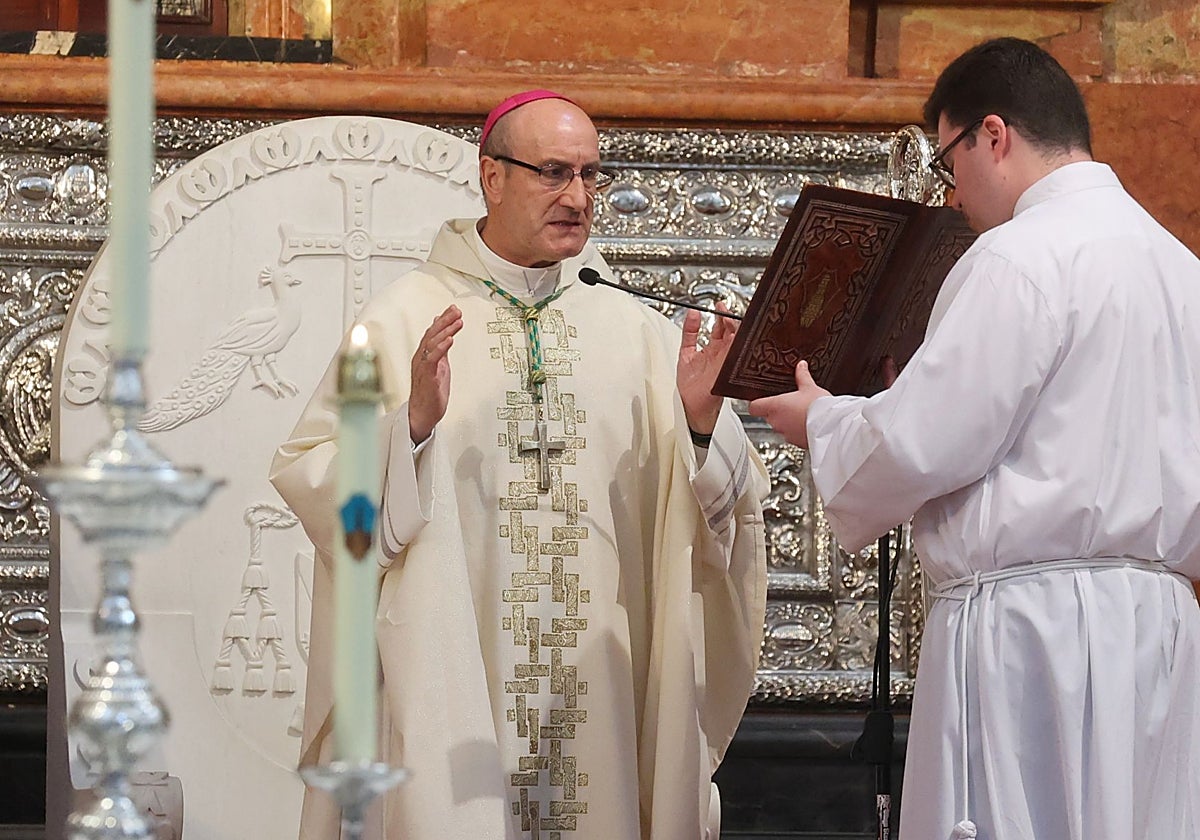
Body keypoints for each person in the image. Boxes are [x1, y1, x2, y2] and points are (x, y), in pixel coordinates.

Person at [270, 90, 769, 840]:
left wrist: (701, 426)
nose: (578, 196)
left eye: (591, 175)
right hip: (454, 675)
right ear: (491, 176)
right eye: (553, 172)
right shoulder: (406, 316)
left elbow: (727, 515)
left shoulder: (638, 334)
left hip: (601, 687)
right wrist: (406, 428)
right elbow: (313, 475)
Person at [748, 37, 1200, 840]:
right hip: (1154, 626)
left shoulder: (1020, 256)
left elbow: (923, 444)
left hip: (1033, 634)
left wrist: (820, 418)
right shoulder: (1179, 267)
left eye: (948, 161)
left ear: (993, 135)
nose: (952, 193)